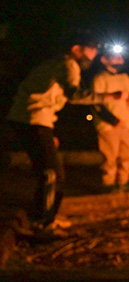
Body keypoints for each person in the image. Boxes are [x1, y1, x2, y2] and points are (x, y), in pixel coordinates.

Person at [4, 34, 99, 227]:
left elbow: (47, 98)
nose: (94, 55)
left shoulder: (54, 64)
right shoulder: (69, 64)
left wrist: (49, 131)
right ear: (76, 49)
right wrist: (109, 97)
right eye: (91, 50)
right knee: (52, 174)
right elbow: (74, 94)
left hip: (30, 120)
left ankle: (45, 217)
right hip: (32, 120)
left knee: (47, 171)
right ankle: (43, 222)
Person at [92, 45, 129, 193]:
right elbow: (96, 104)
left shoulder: (125, 78)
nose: (120, 59)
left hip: (125, 121)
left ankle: (123, 182)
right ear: (104, 60)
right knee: (110, 156)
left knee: (128, 155)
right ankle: (108, 184)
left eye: (121, 56)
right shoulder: (100, 78)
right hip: (108, 125)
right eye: (115, 56)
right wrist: (112, 120)